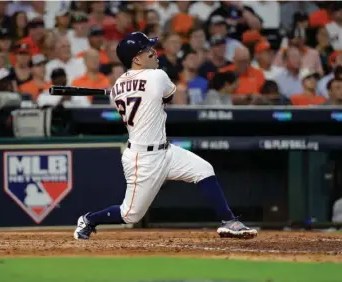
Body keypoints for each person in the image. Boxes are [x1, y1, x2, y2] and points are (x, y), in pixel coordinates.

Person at [73, 32, 258, 240]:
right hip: (142, 159)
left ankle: (229, 221)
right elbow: (168, 95)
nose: (154, 53)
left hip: (166, 151)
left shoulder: (118, 86)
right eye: (147, 50)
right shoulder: (158, 76)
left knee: (204, 170)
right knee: (130, 214)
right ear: (136, 59)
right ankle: (89, 219)